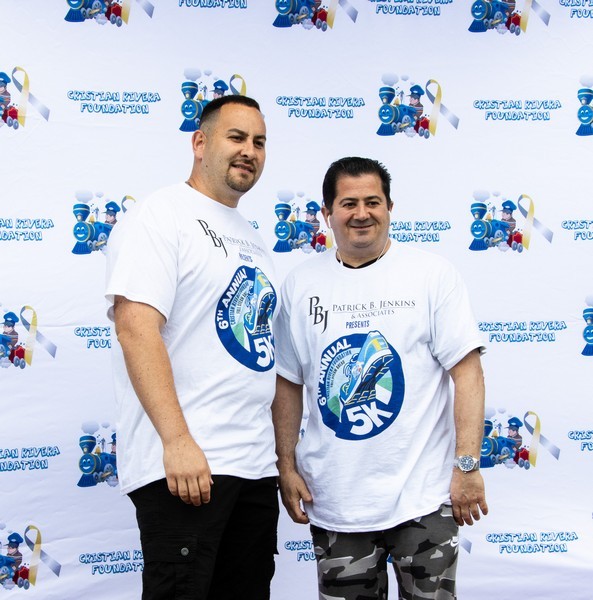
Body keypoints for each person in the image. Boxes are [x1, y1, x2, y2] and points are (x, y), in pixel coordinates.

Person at [273, 156, 488, 600]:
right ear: (327, 213)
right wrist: (286, 466)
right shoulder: (300, 284)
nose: (362, 213)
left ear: (390, 207)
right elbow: (288, 382)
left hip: (424, 499)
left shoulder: (431, 274)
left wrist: (467, 466)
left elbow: (467, 373)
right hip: (335, 503)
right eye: (348, 203)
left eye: (373, 202)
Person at [105, 95, 279, 600]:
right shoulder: (160, 214)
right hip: (186, 466)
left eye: (259, 142)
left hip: (252, 466)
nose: (249, 151)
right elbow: (136, 328)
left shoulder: (252, 238)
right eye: (236, 137)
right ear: (200, 143)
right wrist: (177, 441)